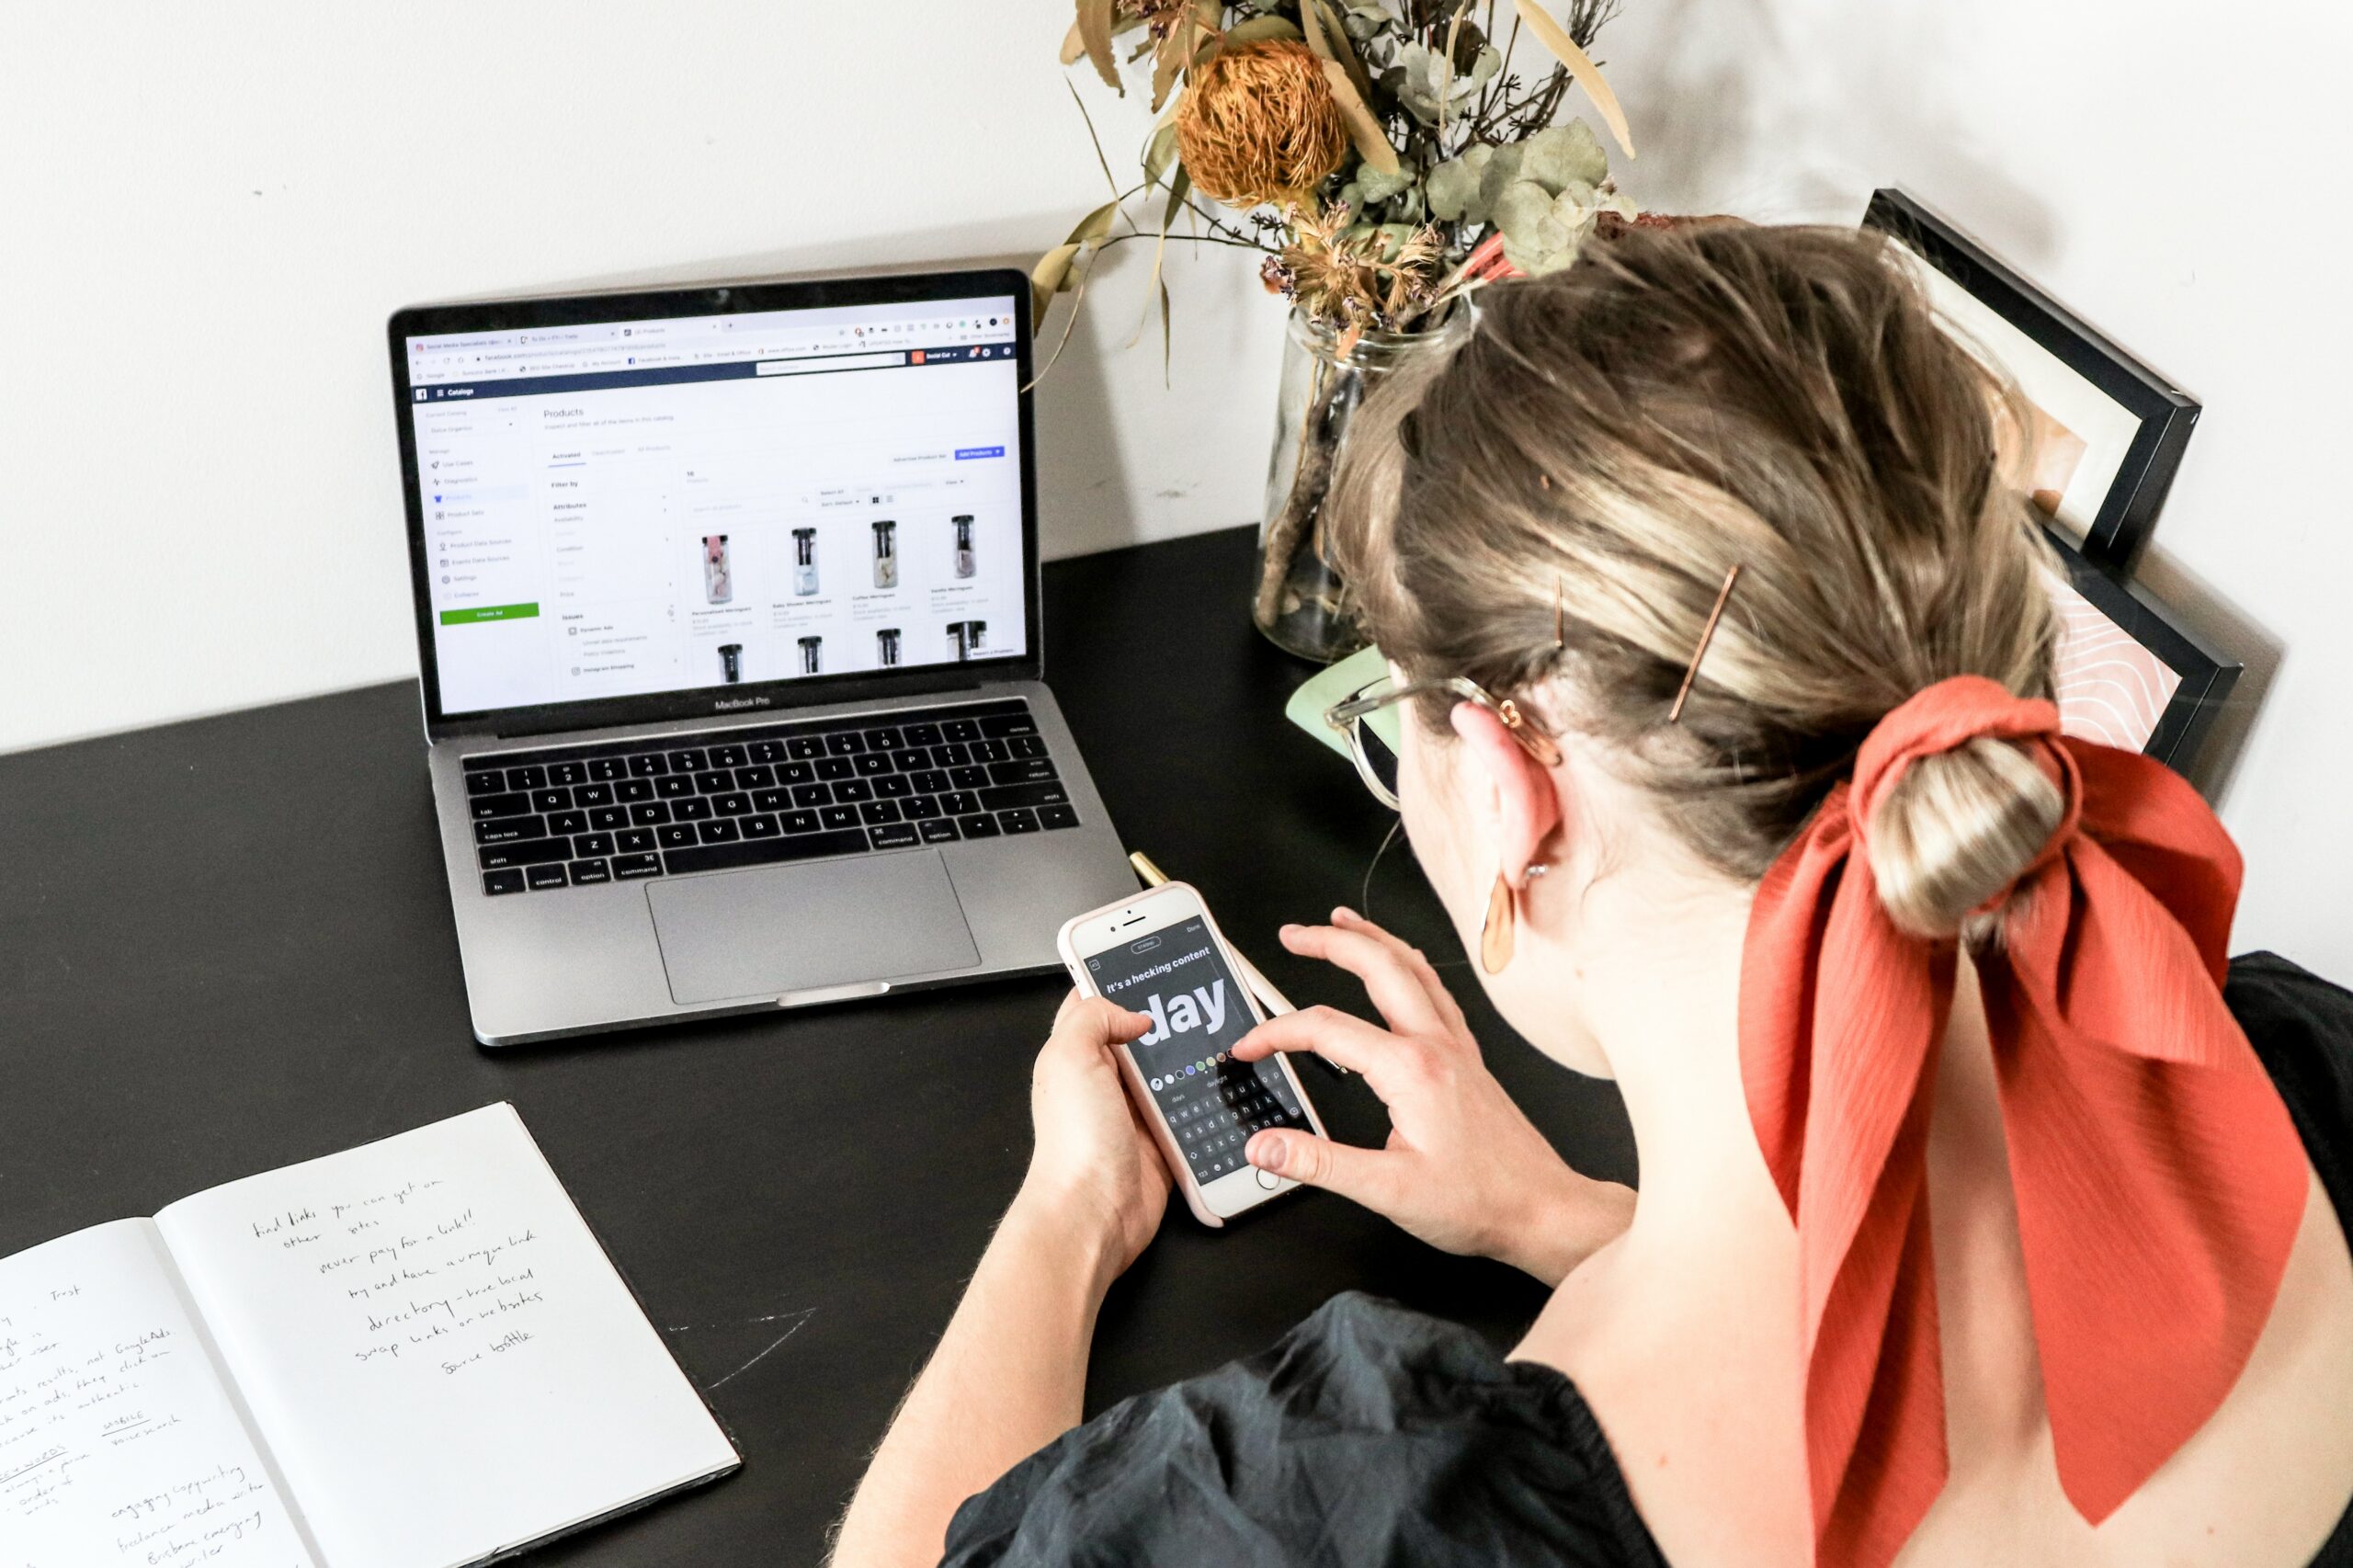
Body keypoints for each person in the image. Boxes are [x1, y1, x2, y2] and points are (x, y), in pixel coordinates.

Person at [829, 223, 2353, 1568]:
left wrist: (1074, 1207)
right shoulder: (2290, 1079)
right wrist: (1566, 1222)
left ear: (1509, 791)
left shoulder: (1336, 1509)